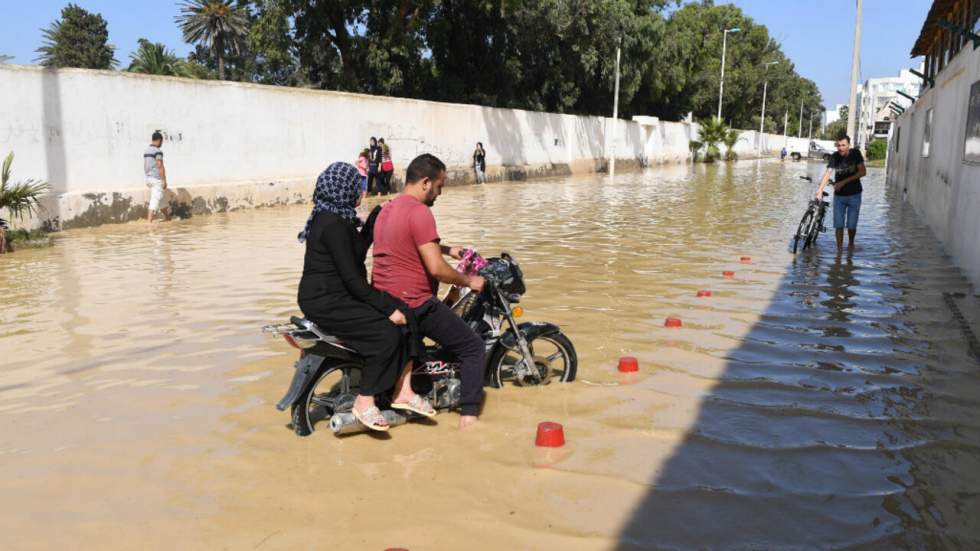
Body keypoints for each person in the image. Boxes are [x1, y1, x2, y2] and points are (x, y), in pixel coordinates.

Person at [297, 162, 434, 431]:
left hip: (332, 296)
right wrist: (386, 309)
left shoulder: (334, 217)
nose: (360, 191)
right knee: (386, 334)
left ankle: (403, 390)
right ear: (343, 189)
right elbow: (352, 279)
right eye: (356, 186)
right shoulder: (333, 223)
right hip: (329, 301)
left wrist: (372, 221)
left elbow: (355, 254)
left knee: (405, 313)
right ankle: (364, 400)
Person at [372, 154, 486, 430]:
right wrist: (468, 281)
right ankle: (469, 418)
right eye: (439, 185)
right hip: (416, 303)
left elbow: (408, 242)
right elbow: (436, 269)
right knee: (473, 348)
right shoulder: (421, 212)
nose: (440, 192)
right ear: (425, 182)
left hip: (384, 300)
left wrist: (448, 249)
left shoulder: (388, 208)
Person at [816, 135, 867, 250]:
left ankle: (850, 244)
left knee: (851, 225)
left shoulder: (855, 154)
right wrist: (819, 190)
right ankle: (839, 251)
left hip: (854, 194)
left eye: (843, 145)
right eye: (838, 145)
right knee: (838, 224)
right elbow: (827, 174)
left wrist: (843, 182)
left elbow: (863, 172)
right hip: (839, 196)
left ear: (849, 145)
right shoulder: (834, 157)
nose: (841, 148)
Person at [144, 131, 170, 222]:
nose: (161, 144)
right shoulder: (157, 151)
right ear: (159, 140)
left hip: (149, 178)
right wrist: (164, 180)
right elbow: (160, 166)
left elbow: (145, 165)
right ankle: (149, 223)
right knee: (154, 201)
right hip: (156, 179)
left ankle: (167, 218)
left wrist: (148, 177)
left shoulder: (147, 150)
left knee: (161, 200)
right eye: (161, 142)